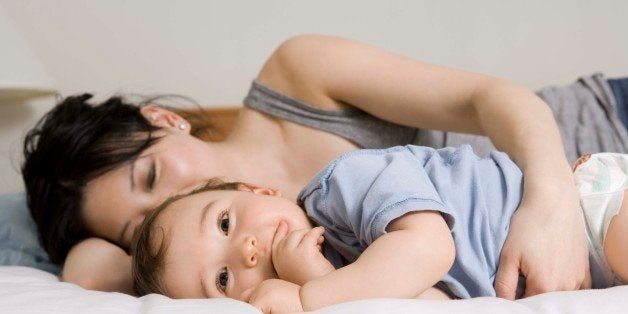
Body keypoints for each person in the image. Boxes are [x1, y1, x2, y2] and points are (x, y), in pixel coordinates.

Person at [20, 34, 628, 297]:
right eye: (139, 226)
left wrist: (550, 204)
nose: (173, 197)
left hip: (591, 142)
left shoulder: (297, 75)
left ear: (165, 119)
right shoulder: (227, 254)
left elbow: (491, 97)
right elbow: (86, 280)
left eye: (150, 175)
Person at [129, 146, 628, 313]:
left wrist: (311, 295)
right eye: (222, 281)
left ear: (258, 190)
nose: (248, 252)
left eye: (225, 223)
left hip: (586, 208)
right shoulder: (345, 278)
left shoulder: (343, 184)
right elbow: (433, 301)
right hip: (582, 269)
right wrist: (321, 278)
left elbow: (429, 248)